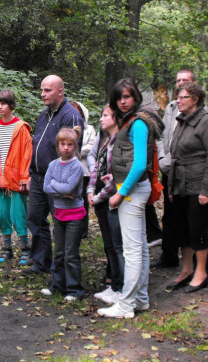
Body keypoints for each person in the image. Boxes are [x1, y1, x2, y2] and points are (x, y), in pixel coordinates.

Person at [97, 78, 162, 319]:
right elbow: (129, 162)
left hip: (132, 191)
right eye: (119, 98)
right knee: (140, 247)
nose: (123, 101)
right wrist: (114, 177)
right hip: (129, 187)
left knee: (132, 250)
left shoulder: (138, 124)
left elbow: (139, 165)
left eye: (127, 97)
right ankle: (140, 299)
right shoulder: (130, 122)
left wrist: (120, 194)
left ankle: (126, 305)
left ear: (135, 97)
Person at [23, 76, 84, 276]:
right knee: (34, 218)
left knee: (61, 223)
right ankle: (41, 262)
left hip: (58, 181)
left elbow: (74, 151)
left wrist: (68, 184)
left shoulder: (71, 116)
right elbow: (37, 145)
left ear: (60, 91)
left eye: (47, 90)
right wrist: (32, 172)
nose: (42, 94)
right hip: (38, 177)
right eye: (42, 90)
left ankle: (63, 268)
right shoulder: (44, 115)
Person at [164, 82, 208, 294]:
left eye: (183, 97)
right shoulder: (182, 121)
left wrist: (206, 189)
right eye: (178, 97)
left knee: (197, 229)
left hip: (197, 186)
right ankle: (186, 269)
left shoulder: (207, 122)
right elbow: (175, 155)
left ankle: (201, 272)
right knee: (182, 229)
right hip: (179, 185)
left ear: (195, 99)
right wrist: (170, 187)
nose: (178, 100)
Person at [153, 69, 198, 269]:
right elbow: (162, 135)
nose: (180, 83)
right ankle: (169, 256)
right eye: (178, 80)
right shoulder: (171, 107)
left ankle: (196, 262)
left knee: (191, 216)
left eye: (185, 80)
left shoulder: (201, 113)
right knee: (170, 215)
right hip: (169, 169)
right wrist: (163, 158)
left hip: (189, 173)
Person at [0, 90, 32, 264]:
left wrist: (25, 177)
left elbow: (27, 155)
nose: (0, 107)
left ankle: (26, 249)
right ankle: (7, 248)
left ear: (11, 105)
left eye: (3, 103)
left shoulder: (21, 127)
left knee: (18, 215)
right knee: (2, 215)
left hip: (16, 180)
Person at [40, 127, 85, 301]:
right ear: (58, 145)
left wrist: (55, 184)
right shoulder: (53, 165)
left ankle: (74, 290)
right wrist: (63, 190)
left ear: (75, 145)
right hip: (59, 214)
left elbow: (69, 188)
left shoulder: (77, 166)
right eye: (62, 144)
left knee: (71, 254)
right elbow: (45, 187)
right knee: (58, 253)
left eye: (70, 144)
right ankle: (57, 285)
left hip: (74, 215)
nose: (66, 147)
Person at [88, 105, 124, 305]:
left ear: (116, 118)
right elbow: (96, 168)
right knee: (109, 244)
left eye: (105, 116)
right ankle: (114, 285)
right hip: (101, 197)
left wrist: (99, 196)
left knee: (118, 245)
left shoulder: (120, 142)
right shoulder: (104, 141)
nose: (101, 119)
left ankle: (121, 287)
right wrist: (90, 190)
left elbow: (116, 177)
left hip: (113, 198)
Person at [70, 101, 96, 239]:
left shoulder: (89, 129)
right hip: (69, 170)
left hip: (84, 169)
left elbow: (92, 146)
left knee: (83, 201)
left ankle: (83, 230)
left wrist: (76, 151)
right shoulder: (67, 128)